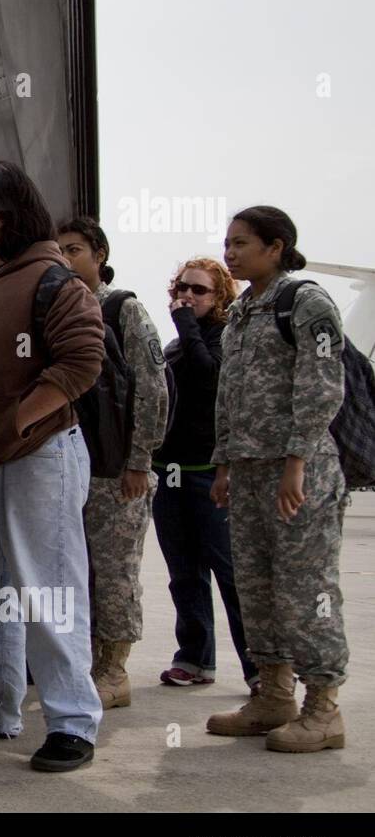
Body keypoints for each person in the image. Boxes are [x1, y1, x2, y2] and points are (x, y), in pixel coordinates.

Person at [0, 161, 104, 774]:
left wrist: (19, 420)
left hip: (40, 457)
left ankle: (71, 722)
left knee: (49, 589)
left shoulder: (53, 279)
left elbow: (83, 360)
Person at [208, 206, 348, 753]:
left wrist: (297, 461)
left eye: (241, 243)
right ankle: (273, 695)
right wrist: (223, 465)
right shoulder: (241, 312)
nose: (230, 253)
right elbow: (229, 396)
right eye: (227, 242)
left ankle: (324, 709)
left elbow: (322, 386)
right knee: (257, 585)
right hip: (247, 472)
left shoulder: (306, 303)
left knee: (305, 589)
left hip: (298, 471)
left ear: (276, 246)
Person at [56, 218, 169, 709]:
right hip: (68, 466)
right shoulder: (59, 309)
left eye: (75, 250)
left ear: (99, 254)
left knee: (114, 571)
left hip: (115, 470)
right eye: (58, 251)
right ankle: (79, 661)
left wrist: (139, 461)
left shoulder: (123, 309)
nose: (66, 259)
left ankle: (113, 668)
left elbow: (153, 387)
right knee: (73, 572)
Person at [151, 258, 258, 692]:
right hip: (171, 473)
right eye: (181, 287)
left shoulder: (222, 339)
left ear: (220, 298)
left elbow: (209, 376)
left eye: (199, 290)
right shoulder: (176, 345)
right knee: (184, 572)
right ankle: (194, 657)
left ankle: (259, 670)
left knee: (230, 573)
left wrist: (185, 324)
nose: (187, 296)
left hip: (209, 474)